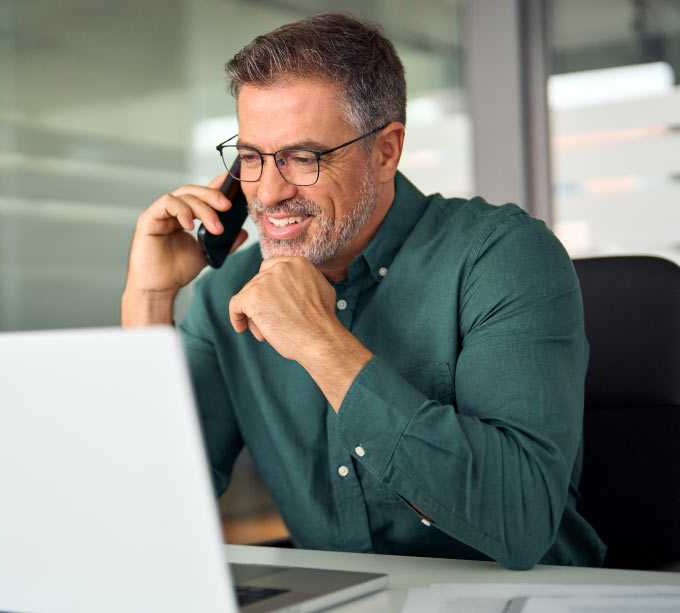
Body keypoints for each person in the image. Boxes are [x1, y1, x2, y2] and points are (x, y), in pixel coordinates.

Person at [121, 13, 605, 570]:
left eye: (303, 158)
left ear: (385, 152)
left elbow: (521, 520)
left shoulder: (502, 256)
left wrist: (320, 343)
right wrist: (149, 300)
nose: (269, 192)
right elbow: (150, 503)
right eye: (251, 157)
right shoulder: (226, 291)